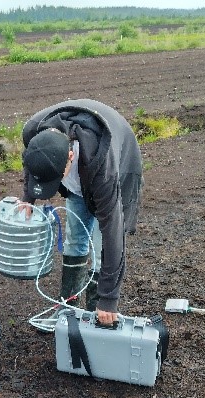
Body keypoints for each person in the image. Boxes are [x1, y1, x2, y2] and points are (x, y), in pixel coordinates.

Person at [19, 99, 143, 326]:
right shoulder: (34, 131)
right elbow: (31, 159)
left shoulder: (102, 165)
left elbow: (113, 235)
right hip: (81, 179)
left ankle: (95, 312)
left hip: (115, 167)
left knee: (100, 243)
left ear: (70, 156)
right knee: (75, 239)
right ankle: (67, 309)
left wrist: (109, 299)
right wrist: (29, 196)